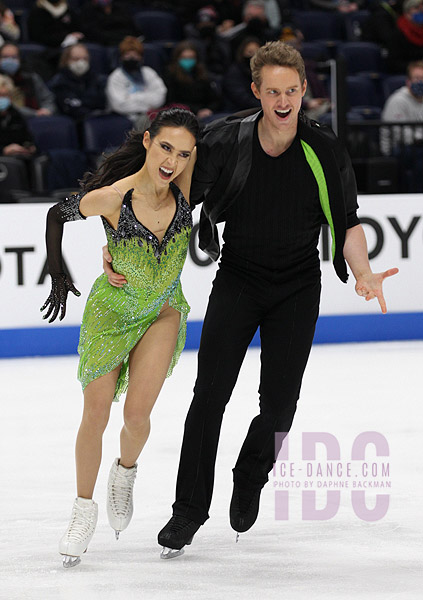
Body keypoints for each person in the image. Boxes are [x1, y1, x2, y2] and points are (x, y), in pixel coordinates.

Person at [145, 41, 396, 557]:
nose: (283, 100)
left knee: (279, 407)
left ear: (305, 90)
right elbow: (171, 194)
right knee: (208, 398)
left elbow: (345, 221)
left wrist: (365, 272)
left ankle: (250, 473)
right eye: (272, 91)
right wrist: (124, 242)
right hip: (238, 278)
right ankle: (187, 511)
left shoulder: (324, 148)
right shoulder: (225, 141)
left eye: (292, 90)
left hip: (298, 285)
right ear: (256, 92)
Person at [40, 107, 199, 568]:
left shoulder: (187, 188)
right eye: (166, 147)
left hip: (162, 311)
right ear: (148, 142)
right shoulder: (112, 197)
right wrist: (57, 271)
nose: (172, 161)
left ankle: (124, 473)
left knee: (137, 415)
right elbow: (56, 214)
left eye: (184, 153)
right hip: (110, 314)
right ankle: (82, 509)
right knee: (95, 414)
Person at [106, 36, 167, 129]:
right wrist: (147, 99)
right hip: (124, 118)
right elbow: (119, 105)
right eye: (127, 55)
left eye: (135, 55)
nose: (131, 58)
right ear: (121, 57)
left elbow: (160, 97)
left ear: (141, 57)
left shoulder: (149, 72)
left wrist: (132, 98)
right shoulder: (116, 77)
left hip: (150, 115)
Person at [381, 59, 423, 190]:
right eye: (417, 78)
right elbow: (400, 135)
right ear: (408, 81)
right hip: (397, 148)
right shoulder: (397, 100)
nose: (420, 82)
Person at [0, 42, 56, 117]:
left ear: (20, 59)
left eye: (14, 57)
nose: (9, 60)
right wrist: (34, 114)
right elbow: (6, 106)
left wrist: (46, 110)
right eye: (5, 57)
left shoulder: (31, 77)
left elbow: (47, 98)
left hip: (37, 119)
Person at [164, 40, 221, 121]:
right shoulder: (170, 74)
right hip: (182, 115)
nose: (188, 60)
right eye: (184, 58)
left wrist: (209, 109)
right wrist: (197, 111)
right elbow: (172, 101)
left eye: (191, 57)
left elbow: (214, 98)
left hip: (206, 113)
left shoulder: (202, 73)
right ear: (177, 58)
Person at [48, 43, 106, 121]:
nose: (81, 63)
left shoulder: (98, 79)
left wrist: (83, 103)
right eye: (76, 59)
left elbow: (101, 102)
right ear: (66, 61)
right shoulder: (58, 82)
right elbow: (71, 108)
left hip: (97, 120)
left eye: (85, 59)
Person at [0, 74, 36, 156]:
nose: (1, 99)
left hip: (17, 157)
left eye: (4, 95)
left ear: (10, 97)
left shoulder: (16, 115)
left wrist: (29, 147)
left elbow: (26, 138)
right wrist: (3, 150)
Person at [222, 36, 262, 111]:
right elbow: (241, 98)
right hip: (239, 111)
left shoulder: (263, 71)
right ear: (242, 53)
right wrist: (262, 105)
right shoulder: (234, 72)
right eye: (250, 52)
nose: (254, 56)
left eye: (257, 52)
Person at [387, 0, 423, 73]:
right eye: (416, 8)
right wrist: (415, 67)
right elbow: (394, 64)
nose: (421, 11)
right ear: (407, 13)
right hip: (407, 73)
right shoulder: (398, 33)